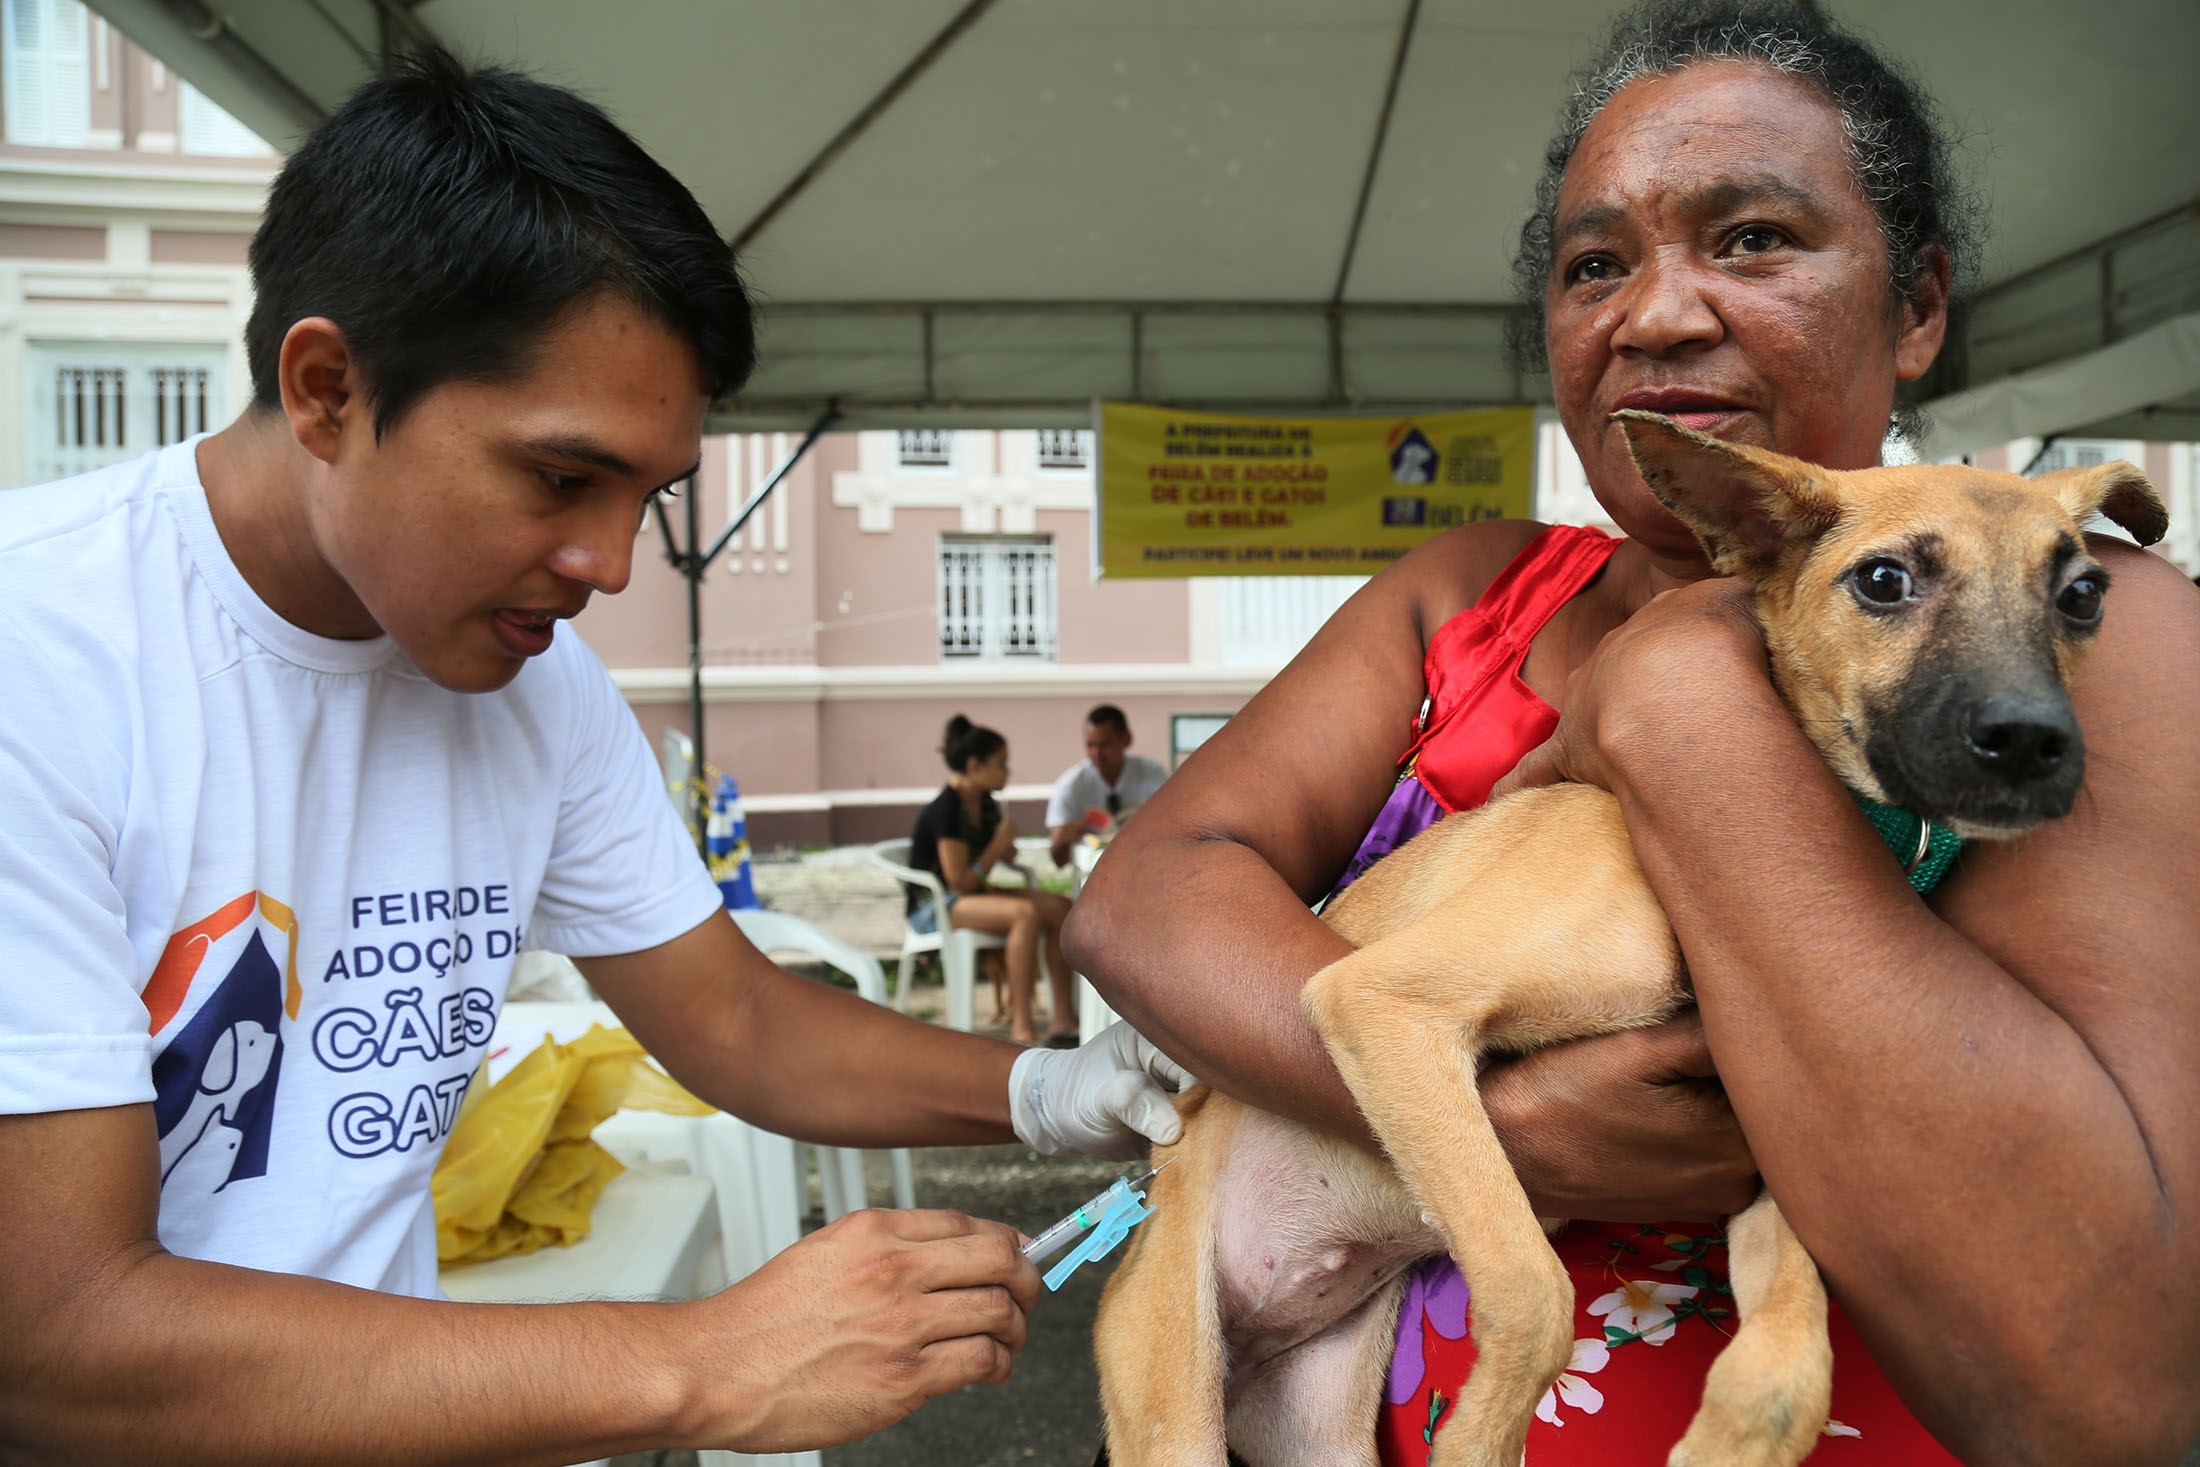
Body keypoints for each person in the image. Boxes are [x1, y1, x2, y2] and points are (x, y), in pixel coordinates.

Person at [0, 51, 1195, 1466]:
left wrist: (1043, 1087)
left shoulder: (529, 681)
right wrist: (700, 1358)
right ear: (325, 388)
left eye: (650, 493)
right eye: (562, 478)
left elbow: (736, 1019)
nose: (610, 564)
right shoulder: (48, 662)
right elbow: (57, 1336)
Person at [1066, 3, 2200, 1463]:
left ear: (1916, 306)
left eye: (1754, 240)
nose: (1655, 314)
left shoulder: (2078, 633)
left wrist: (1682, 699)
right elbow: (1149, 893)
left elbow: (2101, 1374)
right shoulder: (1469, 592)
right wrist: (1512, 1122)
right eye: (1595, 264)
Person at [911, 715, 1080, 1047]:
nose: (1008, 771)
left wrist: (1005, 847)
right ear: (975, 765)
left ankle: (1063, 1020)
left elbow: (996, 859)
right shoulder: (948, 809)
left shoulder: (985, 803)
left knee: (1061, 907)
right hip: (935, 905)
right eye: (1001, 764)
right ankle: (1022, 1026)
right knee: (1024, 914)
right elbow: (959, 882)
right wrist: (997, 845)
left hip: (972, 893)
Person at [1045, 703, 1170, 867]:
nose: (1096, 754)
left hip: (1145, 867)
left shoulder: (1151, 773)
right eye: (1090, 745)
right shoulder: (1071, 785)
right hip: (1091, 872)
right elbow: (1058, 861)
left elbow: (1172, 829)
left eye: (1104, 745)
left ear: (1126, 739)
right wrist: (1064, 840)